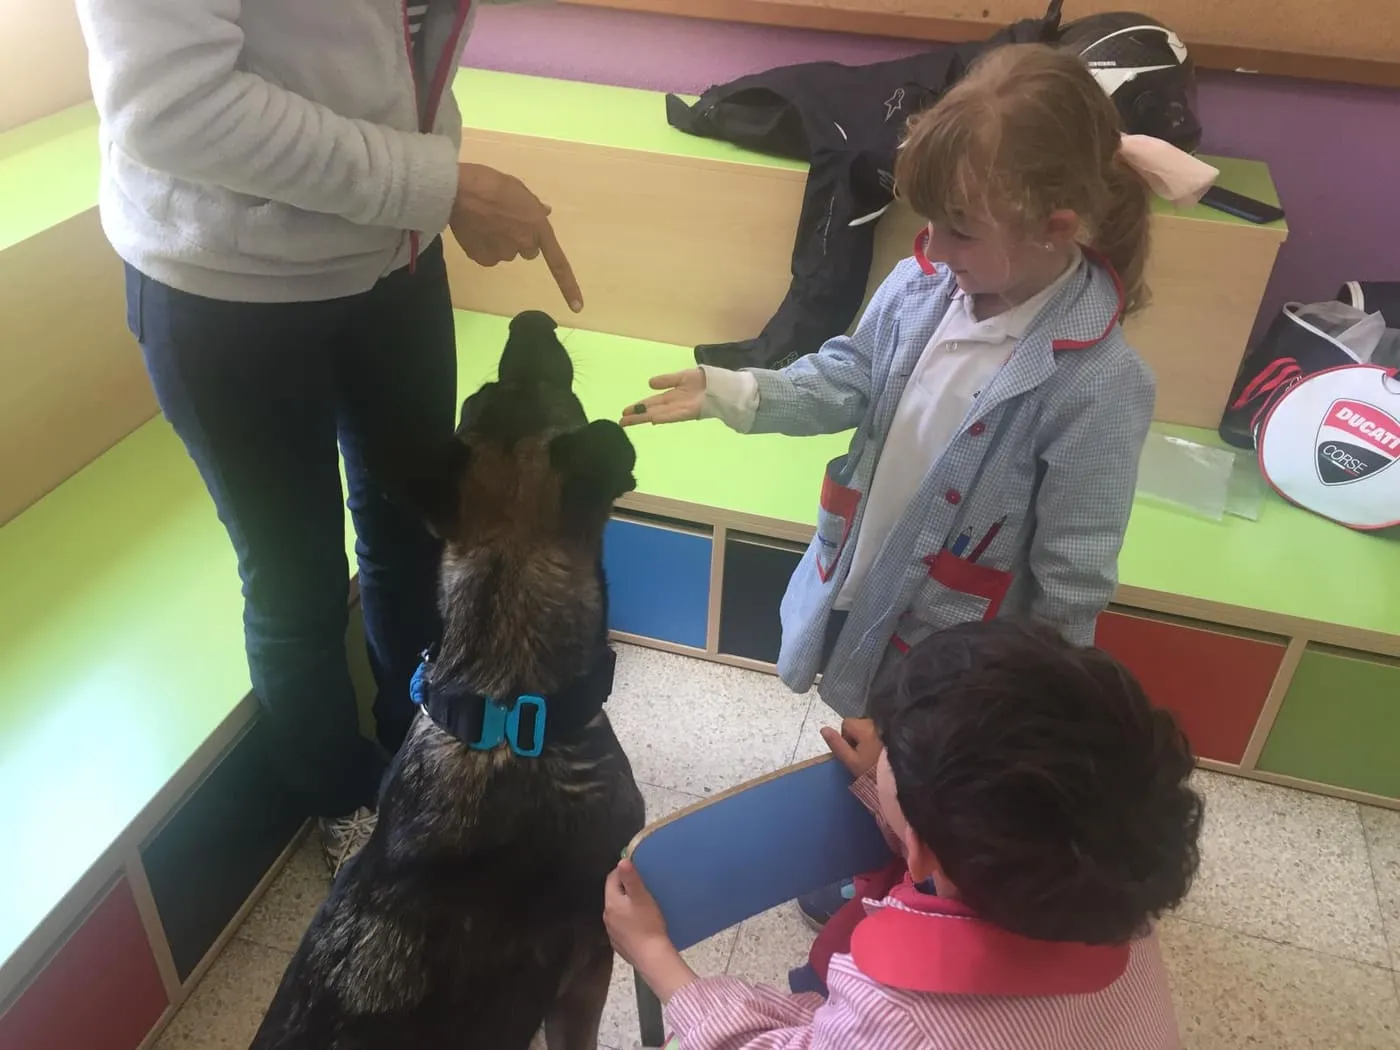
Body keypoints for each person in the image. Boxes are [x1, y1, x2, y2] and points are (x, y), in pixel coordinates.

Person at [618, 42, 1214, 925]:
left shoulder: (1100, 381)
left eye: (960, 229)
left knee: (930, 762)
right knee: (870, 735)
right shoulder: (919, 285)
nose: (931, 245)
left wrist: (1037, 708)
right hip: (870, 576)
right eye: (926, 221)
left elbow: (1075, 568)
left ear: (1057, 227)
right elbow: (848, 377)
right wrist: (736, 392)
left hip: (963, 640)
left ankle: (915, 884)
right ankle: (874, 849)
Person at [74, 0, 583, 873]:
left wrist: (429, 195)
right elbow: (171, 104)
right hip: (227, 286)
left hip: (392, 258)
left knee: (414, 536)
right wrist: (437, 185)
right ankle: (343, 805)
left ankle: (424, 748)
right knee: (295, 582)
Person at [604, 618, 1205, 1049]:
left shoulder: (898, 1018)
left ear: (920, 849)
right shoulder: (1107, 876)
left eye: (890, 745)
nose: (873, 734)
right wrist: (901, 791)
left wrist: (656, 956)